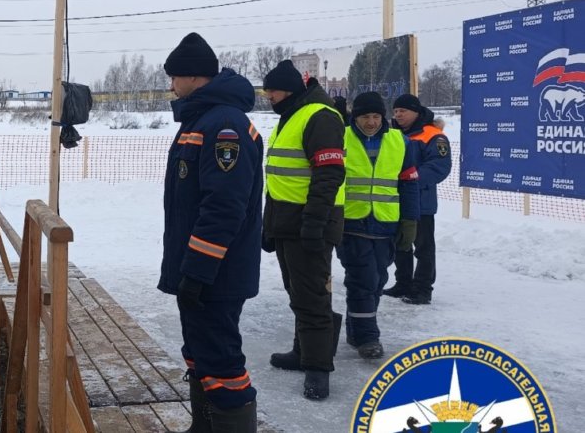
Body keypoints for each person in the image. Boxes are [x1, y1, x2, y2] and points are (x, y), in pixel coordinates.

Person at [158, 33, 262, 431]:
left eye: (174, 77)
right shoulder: (202, 119)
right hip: (200, 269)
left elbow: (223, 206)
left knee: (221, 361)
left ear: (193, 77)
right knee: (199, 353)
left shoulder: (224, 126)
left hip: (216, 273)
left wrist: (198, 270)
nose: (171, 85)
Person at [261, 60, 345, 401]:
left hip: (310, 222)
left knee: (312, 296)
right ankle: (303, 352)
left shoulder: (319, 116)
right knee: (298, 292)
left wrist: (314, 223)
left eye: (273, 90)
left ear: (291, 90)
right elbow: (280, 176)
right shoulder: (292, 115)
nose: (269, 96)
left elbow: (329, 175)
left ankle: (318, 369)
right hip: (287, 220)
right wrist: (270, 225)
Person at [336, 92, 420, 360]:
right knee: (364, 279)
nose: (371, 122)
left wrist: (410, 221)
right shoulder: (340, 138)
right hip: (352, 222)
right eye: (364, 117)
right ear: (355, 117)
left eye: (375, 116)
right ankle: (367, 336)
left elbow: (409, 184)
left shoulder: (400, 142)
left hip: (386, 224)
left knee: (377, 280)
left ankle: (354, 328)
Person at [384, 94, 452, 305]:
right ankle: (403, 282)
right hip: (396, 201)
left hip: (422, 202)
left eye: (402, 111)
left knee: (423, 246)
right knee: (401, 243)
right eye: (395, 111)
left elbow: (439, 167)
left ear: (416, 111)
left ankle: (423, 288)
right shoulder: (392, 134)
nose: (398, 115)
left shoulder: (433, 136)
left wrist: (411, 180)